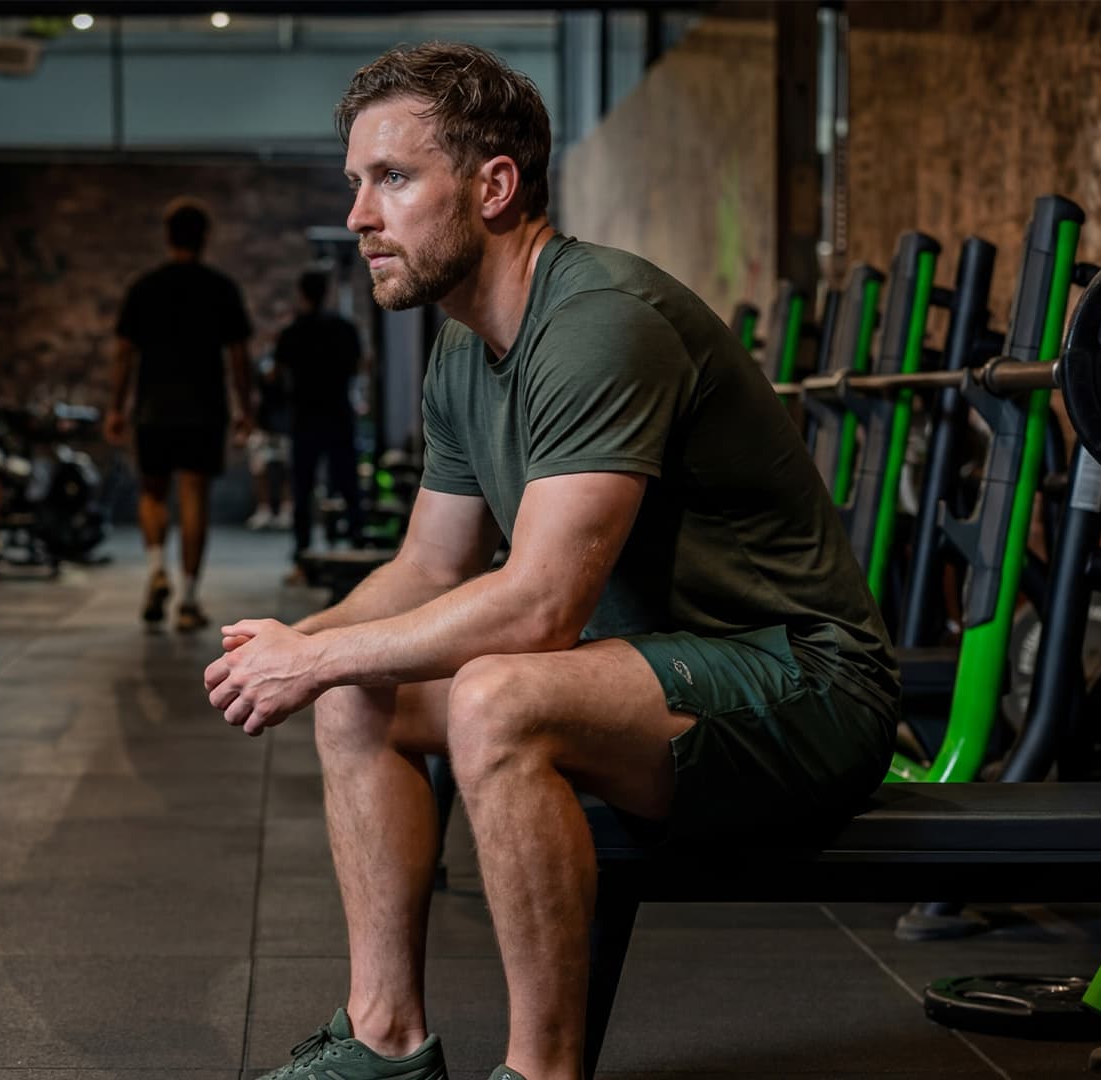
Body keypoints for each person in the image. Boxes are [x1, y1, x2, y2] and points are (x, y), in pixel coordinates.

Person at [203, 43, 899, 1080]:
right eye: (355, 183)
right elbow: (433, 566)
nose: (358, 216)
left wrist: (315, 656)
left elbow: (538, 609)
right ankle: (383, 1040)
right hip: (658, 673)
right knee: (363, 685)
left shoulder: (599, 323)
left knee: (494, 697)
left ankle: (542, 1073)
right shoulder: (461, 345)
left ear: (493, 186)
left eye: (390, 179)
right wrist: (311, 647)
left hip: (803, 688)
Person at [105, 199, 254, 632]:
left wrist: (116, 408)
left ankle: (156, 570)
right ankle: (188, 602)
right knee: (194, 498)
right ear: (204, 238)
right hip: (204, 409)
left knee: (151, 493)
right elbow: (240, 356)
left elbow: (123, 355)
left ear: (168, 237)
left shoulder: (144, 287)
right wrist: (246, 408)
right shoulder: (220, 288)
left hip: (152, 409)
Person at [277, 268, 366, 575]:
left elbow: (278, 373)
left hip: (305, 417)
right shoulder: (343, 328)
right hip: (337, 413)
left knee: (303, 486)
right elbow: (357, 367)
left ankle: (301, 552)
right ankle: (356, 540)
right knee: (347, 481)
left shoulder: (292, 332)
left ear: (302, 294)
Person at [246, 350, 294, 531]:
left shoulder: (288, 365)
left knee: (286, 470)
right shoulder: (259, 360)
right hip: (262, 424)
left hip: (284, 424)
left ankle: (286, 508)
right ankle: (264, 508)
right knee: (260, 469)